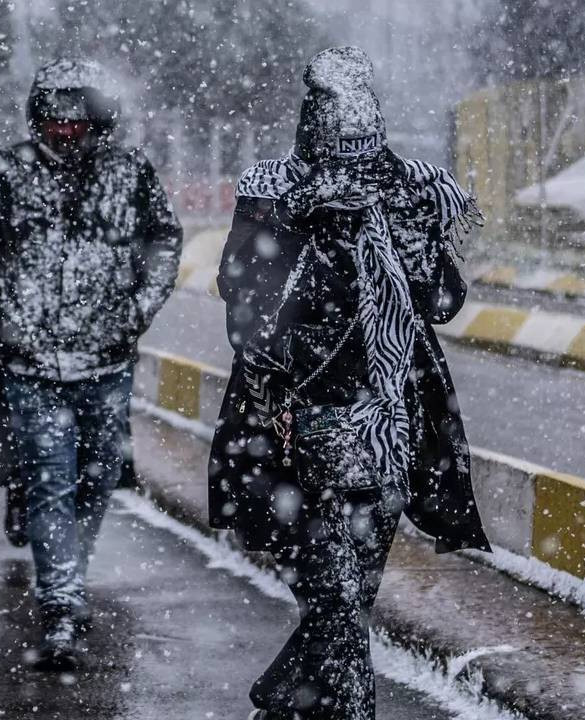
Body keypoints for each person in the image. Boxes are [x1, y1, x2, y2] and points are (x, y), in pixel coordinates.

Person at [207, 47, 491, 720]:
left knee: (345, 597)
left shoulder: (408, 190)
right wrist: (312, 229)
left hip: (389, 427)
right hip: (315, 426)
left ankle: (285, 699)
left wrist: (409, 238)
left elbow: (442, 300)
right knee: (338, 597)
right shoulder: (279, 191)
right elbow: (248, 308)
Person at [0, 58, 182, 670]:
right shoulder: (5, 173)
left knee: (99, 474)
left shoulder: (130, 173)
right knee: (50, 479)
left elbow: (165, 237)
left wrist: (139, 305)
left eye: (74, 124)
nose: (62, 133)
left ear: (99, 123)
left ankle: (70, 570)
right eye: (52, 121)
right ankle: (60, 601)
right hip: (30, 363)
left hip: (106, 360)